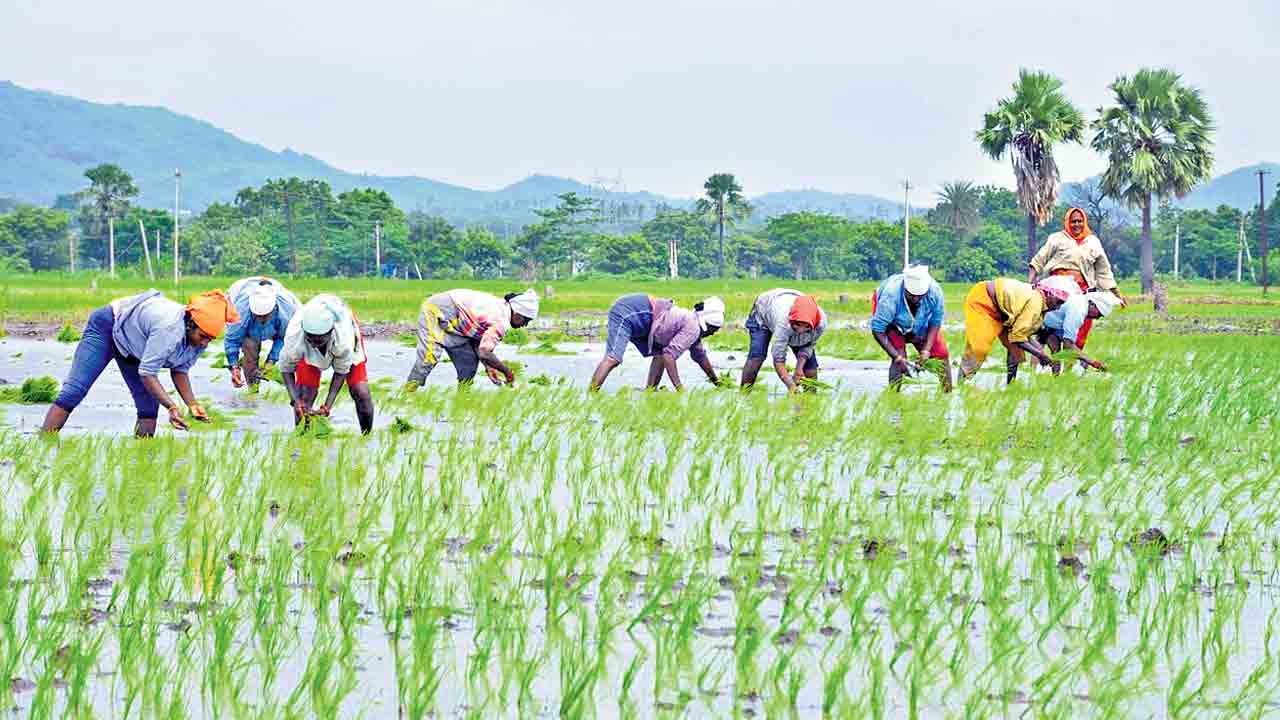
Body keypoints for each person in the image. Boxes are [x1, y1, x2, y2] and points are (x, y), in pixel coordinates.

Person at [41, 289, 238, 437]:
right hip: (108, 327)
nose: (204, 343)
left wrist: (192, 404)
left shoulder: (199, 338)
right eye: (202, 336)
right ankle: (43, 447)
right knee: (74, 391)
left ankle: (142, 459)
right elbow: (147, 373)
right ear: (190, 324)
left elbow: (180, 370)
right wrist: (171, 407)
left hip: (135, 345)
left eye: (209, 339)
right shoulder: (168, 330)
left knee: (149, 407)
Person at [1028, 207, 1125, 347]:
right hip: (1057, 289)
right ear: (1067, 222)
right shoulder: (1057, 238)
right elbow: (1038, 260)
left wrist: (1117, 295)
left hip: (1083, 291)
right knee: (1048, 331)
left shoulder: (1093, 242)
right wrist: (1029, 284)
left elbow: (1104, 271)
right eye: (1073, 221)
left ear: (1085, 222)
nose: (1077, 224)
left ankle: (1071, 366)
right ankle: (1040, 365)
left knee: (1077, 332)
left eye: (1080, 221)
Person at [278, 294, 374, 434]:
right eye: (310, 339)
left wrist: (327, 406)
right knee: (304, 399)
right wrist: (295, 400)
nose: (315, 345)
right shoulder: (296, 337)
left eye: (319, 341)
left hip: (345, 322)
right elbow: (286, 369)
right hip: (307, 326)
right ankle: (302, 442)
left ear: (330, 332)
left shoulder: (344, 339)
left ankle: (367, 438)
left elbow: (341, 372)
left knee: (361, 392)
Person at [405, 289, 538, 387]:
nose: (524, 325)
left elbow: (478, 339)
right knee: (429, 358)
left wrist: (489, 367)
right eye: (526, 321)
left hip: (458, 325)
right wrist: (508, 373)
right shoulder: (501, 320)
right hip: (437, 310)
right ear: (518, 315)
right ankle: (408, 393)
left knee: (469, 363)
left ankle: (462, 402)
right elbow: (485, 353)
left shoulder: (502, 309)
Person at [589, 295, 724, 390]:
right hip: (630, 312)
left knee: (659, 354)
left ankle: (650, 391)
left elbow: (700, 357)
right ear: (707, 324)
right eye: (713, 330)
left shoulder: (692, 328)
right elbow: (669, 356)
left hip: (640, 314)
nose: (712, 334)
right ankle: (591, 395)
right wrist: (680, 389)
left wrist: (717, 382)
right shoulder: (693, 327)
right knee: (613, 358)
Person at [958, 278, 1077, 384]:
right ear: (1049, 295)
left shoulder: (1042, 307)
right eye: (1058, 302)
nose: (1058, 307)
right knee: (979, 348)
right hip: (984, 301)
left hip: (1002, 312)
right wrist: (1040, 355)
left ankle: (1011, 385)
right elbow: (1018, 338)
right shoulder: (1035, 304)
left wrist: (1042, 353)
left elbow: (1025, 336)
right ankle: (960, 384)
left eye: (1062, 303)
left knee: (1016, 351)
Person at [870, 265, 952, 391]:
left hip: (920, 320)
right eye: (911, 295)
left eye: (920, 296)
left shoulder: (935, 292)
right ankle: (893, 396)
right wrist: (896, 357)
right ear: (905, 290)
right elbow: (878, 329)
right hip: (892, 323)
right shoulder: (890, 297)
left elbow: (935, 322)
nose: (915, 299)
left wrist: (926, 350)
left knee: (942, 354)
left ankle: (948, 394)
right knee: (900, 356)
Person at [740, 289, 826, 392]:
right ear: (793, 320)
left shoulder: (820, 324)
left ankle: (811, 398)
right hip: (764, 309)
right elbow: (778, 359)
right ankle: (743, 395)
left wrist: (799, 369)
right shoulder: (784, 322)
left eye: (806, 327)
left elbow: (808, 346)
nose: (800, 331)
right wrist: (790, 385)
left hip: (789, 300)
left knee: (810, 365)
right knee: (757, 355)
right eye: (797, 325)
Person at [223, 276, 300, 388]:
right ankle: (252, 387)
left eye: (265, 316)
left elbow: (284, 339)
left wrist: (270, 362)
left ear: (273, 309)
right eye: (258, 316)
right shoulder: (240, 311)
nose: (261, 319)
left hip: (278, 319)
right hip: (242, 294)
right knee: (250, 347)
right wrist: (234, 367)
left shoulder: (286, 311)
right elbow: (232, 340)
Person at [1036, 291, 1121, 371]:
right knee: (1052, 353)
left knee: (1057, 355)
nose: (1097, 318)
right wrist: (1092, 361)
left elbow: (1067, 345)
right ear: (1093, 305)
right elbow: (1068, 344)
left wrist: (1083, 358)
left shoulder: (1081, 301)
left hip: (1052, 322)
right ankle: (1037, 374)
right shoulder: (1078, 311)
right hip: (1044, 321)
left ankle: (1055, 379)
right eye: (1099, 314)